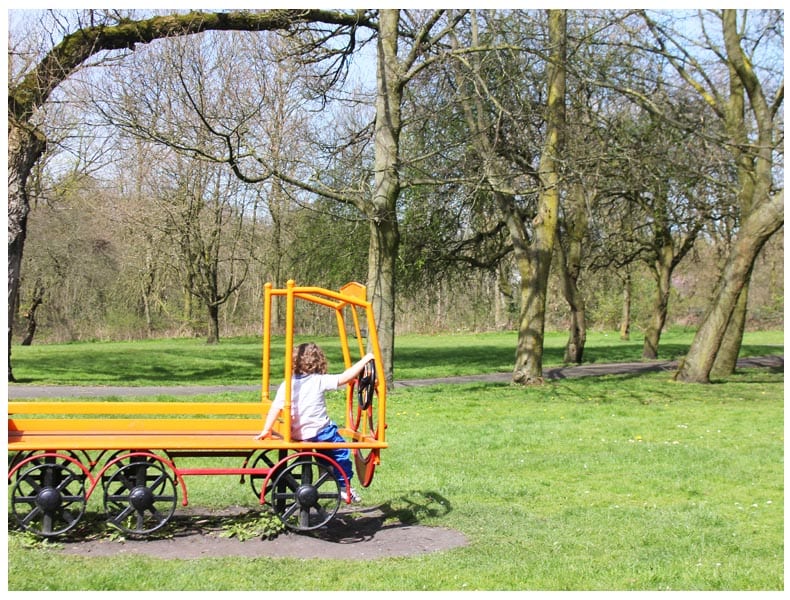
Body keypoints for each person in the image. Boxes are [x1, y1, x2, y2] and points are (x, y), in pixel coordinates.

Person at [256, 342, 375, 503]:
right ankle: (344, 486)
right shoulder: (318, 380)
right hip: (319, 432)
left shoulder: (287, 384)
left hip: (296, 433)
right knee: (341, 449)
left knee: (327, 435)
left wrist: (266, 429)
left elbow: (276, 408)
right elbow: (346, 377)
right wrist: (366, 359)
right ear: (318, 362)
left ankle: (324, 468)